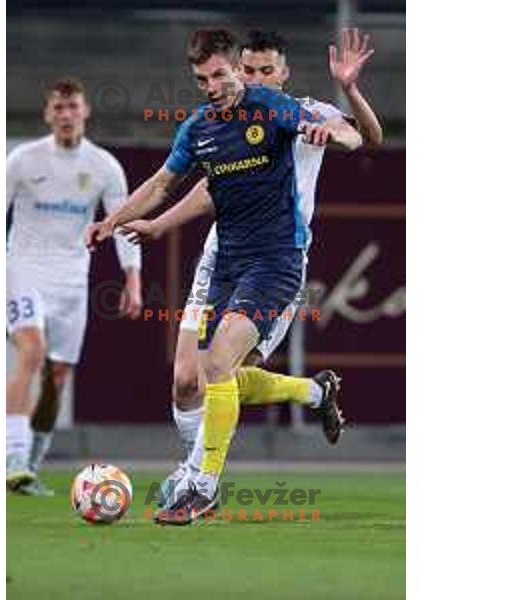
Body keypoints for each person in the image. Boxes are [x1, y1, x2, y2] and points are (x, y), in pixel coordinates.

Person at [87, 29, 361, 524]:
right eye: (202, 78)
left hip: (275, 261)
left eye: (220, 74)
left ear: (237, 66)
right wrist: (112, 221)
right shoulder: (199, 128)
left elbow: (352, 135)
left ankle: (202, 485)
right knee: (204, 374)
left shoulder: (271, 108)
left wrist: (332, 132)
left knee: (217, 366)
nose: (212, 85)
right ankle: (314, 393)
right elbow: (162, 183)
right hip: (227, 263)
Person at [6, 77, 142, 495]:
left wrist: (132, 279)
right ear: (48, 114)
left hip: (71, 280)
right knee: (32, 351)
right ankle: (11, 455)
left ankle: (29, 464)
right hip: (23, 269)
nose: (66, 115)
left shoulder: (104, 166)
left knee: (58, 377)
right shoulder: (23, 160)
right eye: (58, 109)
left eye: (73, 107)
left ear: (85, 112)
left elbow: (120, 226)